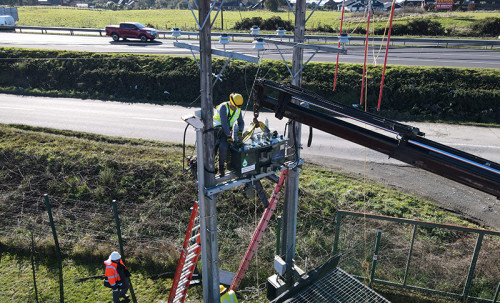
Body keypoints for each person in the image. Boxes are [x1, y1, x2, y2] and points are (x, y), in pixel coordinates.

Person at [213, 93, 245, 177]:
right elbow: (224, 123)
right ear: (231, 101)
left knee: (223, 147)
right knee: (212, 149)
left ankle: (221, 166)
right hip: (215, 129)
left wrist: (240, 132)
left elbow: (241, 122)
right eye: (234, 106)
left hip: (226, 131)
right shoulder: (223, 107)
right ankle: (210, 167)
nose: (235, 109)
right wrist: (229, 136)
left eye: (237, 107)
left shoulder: (238, 109)